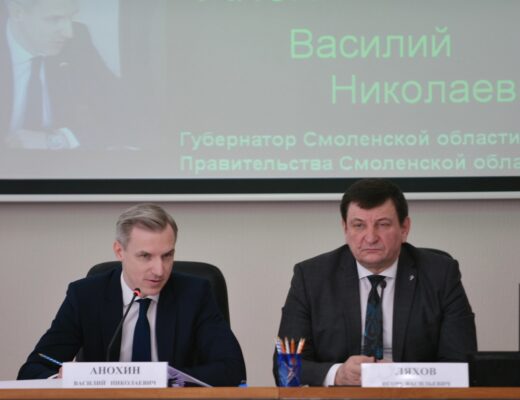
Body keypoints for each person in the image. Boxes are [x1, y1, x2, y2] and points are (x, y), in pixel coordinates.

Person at [274, 178, 477, 386]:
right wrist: (337, 374)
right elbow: (284, 368)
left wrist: (401, 376)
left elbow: (462, 365)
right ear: (345, 228)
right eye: (359, 225)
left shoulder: (440, 275)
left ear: (404, 228)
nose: (370, 238)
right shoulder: (311, 277)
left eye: (383, 224)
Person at [18, 203, 247, 386]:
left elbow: (231, 367)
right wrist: (59, 379)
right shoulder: (86, 296)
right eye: (145, 256)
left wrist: (158, 379)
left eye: (167, 256)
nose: (159, 270)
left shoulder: (194, 294)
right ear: (120, 251)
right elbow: (35, 368)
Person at [0, 0, 122, 150]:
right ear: (17, 13)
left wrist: (60, 140)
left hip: (58, 162)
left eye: (71, 17)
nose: (69, 33)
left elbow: (125, 111)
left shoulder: (77, 40)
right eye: (54, 19)